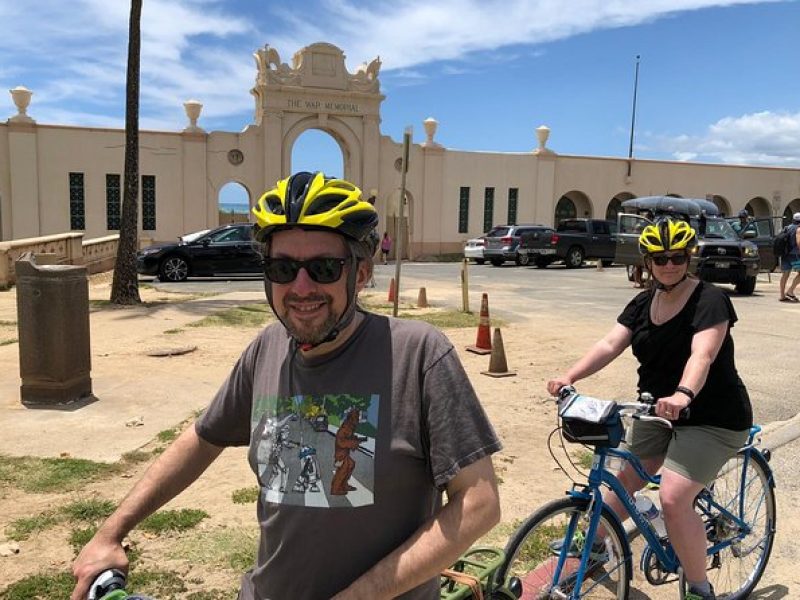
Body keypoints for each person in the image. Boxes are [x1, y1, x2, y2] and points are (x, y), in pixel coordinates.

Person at [71, 171, 502, 600]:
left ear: (362, 272)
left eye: (323, 268)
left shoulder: (418, 355)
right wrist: (112, 531)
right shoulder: (267, 348)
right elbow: (202, 439)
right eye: (282, 268)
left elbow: (478, 503)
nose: (301, 287)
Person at [547, 218, 752, 600]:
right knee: (625, 478)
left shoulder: (710, 299)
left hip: (712, 417)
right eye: (660, 258)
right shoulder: (643, 302)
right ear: (648, 261)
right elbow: (610, 343)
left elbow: (702, 355)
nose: (669, 264)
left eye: (677, 256)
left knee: (673, 498)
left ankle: (698, 588)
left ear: (688, 257)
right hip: (657, 411)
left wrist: (683, 395)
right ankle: (593, 545)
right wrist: (569, 376)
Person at [778, 212, 800, 303]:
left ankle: (782, 295)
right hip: (795, 255)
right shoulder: (798, 229)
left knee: (785, 275)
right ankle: (790, 291)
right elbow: (799, 242)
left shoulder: (787, 228)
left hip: (785, 254)